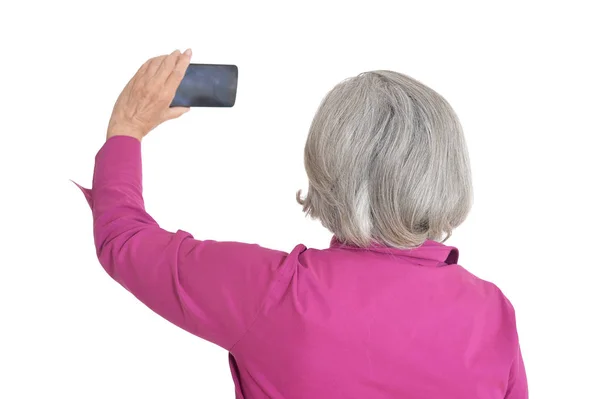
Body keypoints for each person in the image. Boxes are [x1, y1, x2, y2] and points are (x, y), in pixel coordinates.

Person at [74, 48, 528, 399]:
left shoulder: (274, 292)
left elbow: (124, 240)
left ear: (326, 167)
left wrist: (127, 127)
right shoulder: (493, 313)